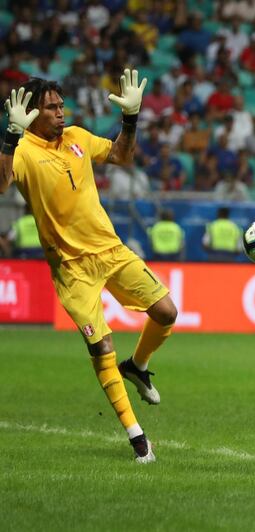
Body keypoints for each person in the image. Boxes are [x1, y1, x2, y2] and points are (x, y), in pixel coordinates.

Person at [0, 72, 179, 463]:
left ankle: (140, 366)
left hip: (110, 250)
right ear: (31, 112)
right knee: (101, 346)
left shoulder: (78, 137)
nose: (61, 112)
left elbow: (121, 156)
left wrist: (130, 118)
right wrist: (10, 138)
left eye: (62, 105)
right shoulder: (25, 152)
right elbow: (0, 186)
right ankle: (138, 438)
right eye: (52, 107)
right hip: (71, 267)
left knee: (167, 311)